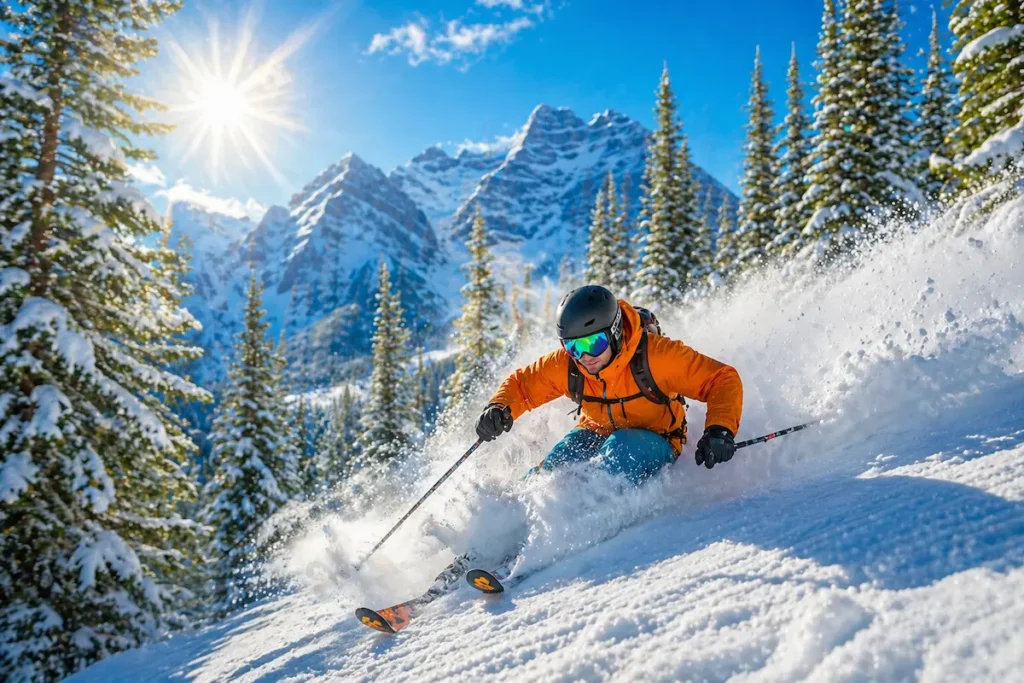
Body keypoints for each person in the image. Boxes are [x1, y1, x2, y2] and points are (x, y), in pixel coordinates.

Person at [475, 285, 743, 485]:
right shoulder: (570, 364)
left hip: (657, 439)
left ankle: (571, 526)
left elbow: (721, 379)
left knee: (620, 450)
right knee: (554, 469)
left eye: (594, 344)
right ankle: (502, 536)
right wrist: (498, 407)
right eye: (573, 347)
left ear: (614, 332)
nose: (585, 357)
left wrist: (720, 430)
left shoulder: (656, 356)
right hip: (595, 432)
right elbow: (522, 385)